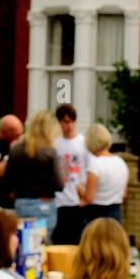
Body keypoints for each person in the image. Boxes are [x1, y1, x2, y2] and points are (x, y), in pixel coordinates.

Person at [5, 110, 65, 241]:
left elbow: (8, 180)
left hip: (21, 203)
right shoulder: (50, 152)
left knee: (23, 245)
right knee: (41, 246)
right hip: (44, 204)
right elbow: (60, 185)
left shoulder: (16, 149)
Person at [50, 104, 88, 245]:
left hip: (77, 199)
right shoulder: (55, 143)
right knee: (59, 240)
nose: (70, 125)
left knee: (75, 241)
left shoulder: (83, 142)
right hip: (59, 200)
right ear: (60, 122)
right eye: (66, 121)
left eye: (72, 121)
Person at [79, 122, 128, 228]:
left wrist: (79, 189)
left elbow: (89, 198)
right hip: (116, 216)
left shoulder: (95, 164)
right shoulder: (121, 163)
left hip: (96, 217)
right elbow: (123, 194)